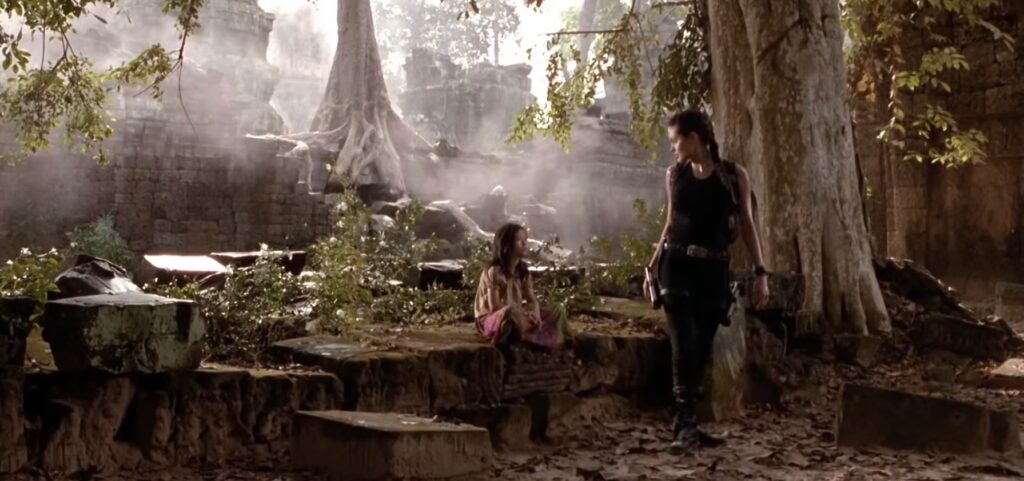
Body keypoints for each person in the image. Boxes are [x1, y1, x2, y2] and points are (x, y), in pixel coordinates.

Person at [645, 109, 770, 452]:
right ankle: (684, 424)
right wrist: (651, 265)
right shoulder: (674, 174)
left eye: (675, 140)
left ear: (694, 138)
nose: (673, 147)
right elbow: (670, 222)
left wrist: (761, 273)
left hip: (714, 270)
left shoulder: (733, 176)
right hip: (676, 265)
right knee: (682, 344)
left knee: (700, 346)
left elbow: (747, 224)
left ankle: (685, 421)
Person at [474, 223, 572, 351]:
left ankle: (527, 332)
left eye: (525, 239)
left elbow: (532, 300)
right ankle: (525, 335)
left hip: (517, 315)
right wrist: (521, 313)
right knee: (511, 315)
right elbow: (495, 306)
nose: (525, 243)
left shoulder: (523, 271)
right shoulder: (495, 271)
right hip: (493, 319)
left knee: (557, 309)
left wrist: (535, 315)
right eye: (520, 240)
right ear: (507, 245)